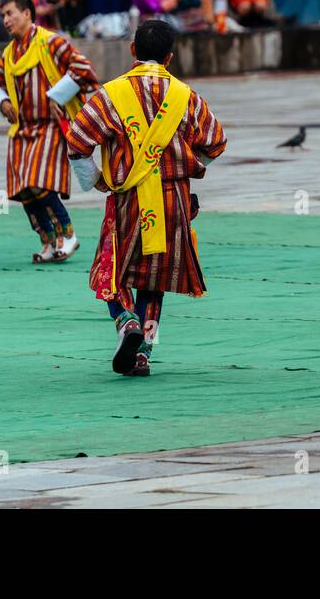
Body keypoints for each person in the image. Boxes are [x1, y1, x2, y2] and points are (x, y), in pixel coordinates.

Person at [66, 19, 227, 376]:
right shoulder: (185, 96)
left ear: (133, 50)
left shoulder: (112, 94)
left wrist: (95, 180)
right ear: (170, 57)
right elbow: (216, 141)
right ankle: (143, 355)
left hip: (127, 202)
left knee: (113, 271)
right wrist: (188, 168)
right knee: (155, 279)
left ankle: (126, 322)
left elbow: (76, 141)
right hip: (173, 201)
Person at [0, 0, 99, 263]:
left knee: (40, 183)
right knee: (24, 191)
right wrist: (2, 104)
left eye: (10, 13)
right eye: (3, 15)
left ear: (27, 14)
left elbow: (83, 68)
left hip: (49, 126)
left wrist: (56, 96)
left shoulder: (51, 42)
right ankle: (48, 240)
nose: (6, 20)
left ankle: (67, 234)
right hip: (21, 129)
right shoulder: (9, 53)